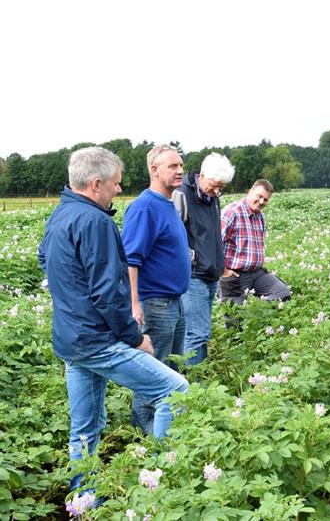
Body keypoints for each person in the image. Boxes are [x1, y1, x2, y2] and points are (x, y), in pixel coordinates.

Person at [38, 147, 188, 491]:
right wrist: (135, 338)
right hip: (97, 340)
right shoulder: (96, 221)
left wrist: (71, 299)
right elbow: (107, 292)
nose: (119, 189)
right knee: (175, 389)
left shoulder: (61, 213)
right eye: (116, 183)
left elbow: (45, 259)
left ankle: (84, 500)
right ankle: (159, 482)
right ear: (96, 184)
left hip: (71, 340)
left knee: (85, 428)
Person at [121, 144, 191, 434]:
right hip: (155, 303)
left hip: (175, 301)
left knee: (171, 370)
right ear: (154, 170)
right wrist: (134, 304)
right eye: (172, 166)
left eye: (181, 165)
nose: (180, 170)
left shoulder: (169, 203)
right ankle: (146, 432)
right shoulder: (144, 207)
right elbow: (130, 259)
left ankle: (169, 429)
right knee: (154, 371)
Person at [172, 152, 235, 366]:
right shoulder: (182, 195)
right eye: (215, 186)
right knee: (196, 333)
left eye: (221, 188)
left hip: (210, 274)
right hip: (194, 275)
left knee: (203, 331)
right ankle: (192, 381)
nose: (217, 191)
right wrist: (191, 258)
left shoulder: (212, 198)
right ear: (203, 175)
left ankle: (199, 375)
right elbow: (172, 235)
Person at [220, 179, 291, 303]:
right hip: (236, 275)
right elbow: (214, 244)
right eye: (259, 196)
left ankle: (257, 308)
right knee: (235, 312)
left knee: (283, 293)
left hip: (257, 273)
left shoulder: (260, 216)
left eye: (266, 200)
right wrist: (225, 272)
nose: (262, 202)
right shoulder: (232, 212)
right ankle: (244, 305)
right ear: (250, 191)